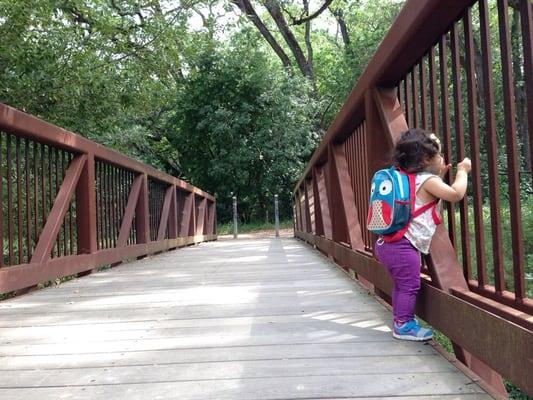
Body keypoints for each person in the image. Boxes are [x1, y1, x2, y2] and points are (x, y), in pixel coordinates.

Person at [374, 128, 471, 341]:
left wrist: (439, 176)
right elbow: (455, 194)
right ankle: (403, 324)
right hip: (402, 246)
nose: (443, 158)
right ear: (427, 158)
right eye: (440, 154)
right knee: (409, 285)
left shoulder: (408, 177)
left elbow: (424, 199)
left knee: (402, 285)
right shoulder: (428, 182)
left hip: (387, 244)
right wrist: (462, 171)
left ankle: (401, 319)